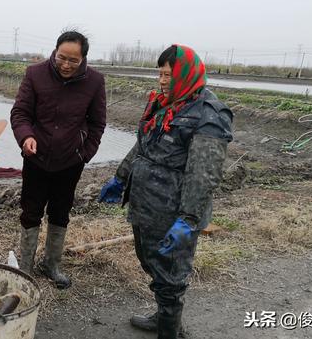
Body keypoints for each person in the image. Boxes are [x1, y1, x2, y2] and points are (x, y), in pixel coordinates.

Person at [98, 45, 233, 338]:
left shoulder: (208, 114)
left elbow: (204, 174)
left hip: (174, 213)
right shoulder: (165, 104)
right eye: (159, 74)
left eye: (168, 75)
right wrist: (121, 178)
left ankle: (169, 330)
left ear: (185, 74)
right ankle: (163, 316)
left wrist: (188, 219)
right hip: (146, 205)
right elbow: (143, 146)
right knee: (151, 263)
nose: (162, 80)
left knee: (171, 275)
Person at [11, 30, 106, 289]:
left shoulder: (95, 81)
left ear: (83, 59)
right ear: (54, 52)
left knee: (60, 212)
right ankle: (26, 267)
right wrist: (25, 137)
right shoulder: (35, 74)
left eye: (73, 61)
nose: (66, 65)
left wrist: (84, 154)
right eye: (61, 58)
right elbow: (20, 113)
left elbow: (98, 124)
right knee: (30, 212)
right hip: (36, 158)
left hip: (70, 162)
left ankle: (51, 264)